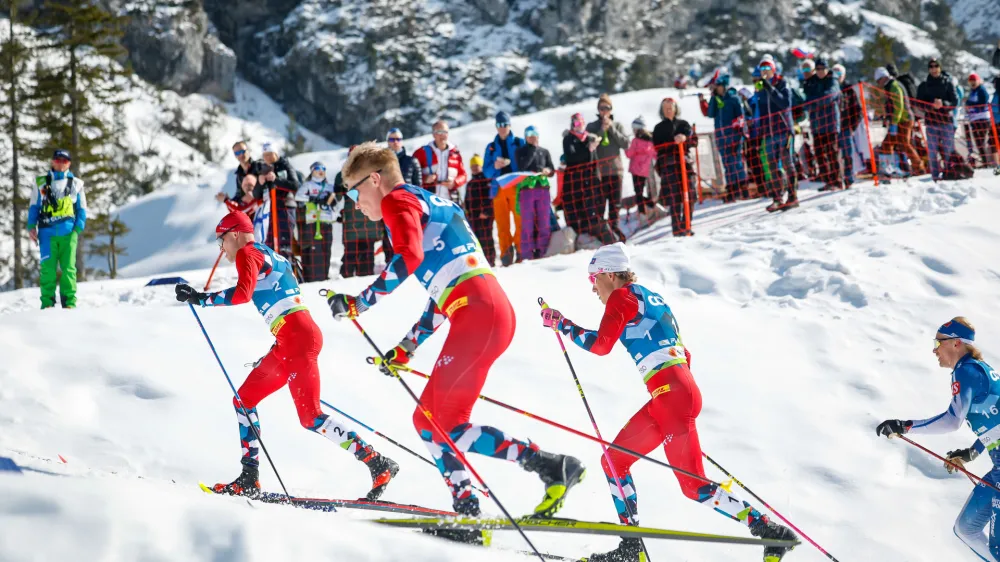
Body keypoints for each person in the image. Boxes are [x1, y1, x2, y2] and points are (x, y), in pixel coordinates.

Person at [325, 143, 585, 541]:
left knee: (435, 422)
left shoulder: (397, 201)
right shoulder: (426, 201)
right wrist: (407, 347)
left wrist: (360, 303)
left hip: (477, 313)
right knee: (432, 421)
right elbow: (443, 289)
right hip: (482, 309)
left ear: (374, 179)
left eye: (355, 192)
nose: (356, 205)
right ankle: (499, 493)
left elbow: (409, 256)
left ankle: (502, 492)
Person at [542, 243, 797, 562]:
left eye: (593, 277)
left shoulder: (622, 297)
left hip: (671, 398)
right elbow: (684, 352)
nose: (592, 286)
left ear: (608, 274)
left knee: (683, 483)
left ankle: (768, 531)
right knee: (620, 464)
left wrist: (562, 324)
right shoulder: (651, 297)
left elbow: (601, 345)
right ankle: (632, 547)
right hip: (673, 395)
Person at [174, 211, 398, 501]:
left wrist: (201, 299)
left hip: (296, 339)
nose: (222, 249)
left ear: (235, 234)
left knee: (310, 417)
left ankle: (378, 463)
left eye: (222, 241)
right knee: (244, 400)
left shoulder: (247, 252)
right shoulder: (268, 253)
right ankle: (248, 477)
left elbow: (243, 294)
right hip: (290, 340)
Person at [875, 317, 1000, 562]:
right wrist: (971, 453)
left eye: (938, 342)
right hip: (998, 467)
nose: (934, 349)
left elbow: (952, 421)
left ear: (956, 343)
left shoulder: (966, 370)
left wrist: (905, 426)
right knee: (966, 528)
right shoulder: (979, 369)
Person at [26, 149, 87, 309]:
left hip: (69, 234)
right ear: (52, 161)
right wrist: (31, 226)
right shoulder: (41, 183)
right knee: (48, 271)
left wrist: (77, 230)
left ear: (69, 163)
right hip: (47, 234)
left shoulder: (76, 184)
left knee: (69, 270)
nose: (61, 163)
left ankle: (69, 304)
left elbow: (81, 209)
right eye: (58, 160)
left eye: (64, 160)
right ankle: (47, 304)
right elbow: (34, 207)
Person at [483, 111, 527, 266]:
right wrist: (495, 166)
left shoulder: (519, 142)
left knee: (520, 220)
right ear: (496, 127)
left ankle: (521, 250)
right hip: (498, 188)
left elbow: (527, 161)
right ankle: (506, 254)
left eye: (505, 124)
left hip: (516, 186)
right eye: (499, 125)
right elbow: (486, 171)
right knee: (502, 224)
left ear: (509, 125)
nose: (502, 128)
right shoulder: (491, 148)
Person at [586, 94, 631, 241]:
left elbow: (625, 143)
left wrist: (611, 128)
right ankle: (602, 233)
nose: (604, 111)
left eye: (607, 108)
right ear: (598, 110)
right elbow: (590, 145)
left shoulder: (617, 125)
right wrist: (601, 130)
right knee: (599, 204)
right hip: (600, 172)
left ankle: (615, 231)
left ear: (611, 110)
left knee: (615, 205)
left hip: (615, 170)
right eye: (601, 108)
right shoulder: (592, 126)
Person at [755, 60, 797, 212]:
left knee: (787, 163)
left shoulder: (782, 83)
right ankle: (778, 198)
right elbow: (760, 109)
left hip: (784, 130)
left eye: (767, 68)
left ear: (773, 70)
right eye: (762, 68)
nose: (764, 71)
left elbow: (784, 103)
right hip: (769, 132)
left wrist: (769, 87)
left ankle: (793, 197)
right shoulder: (760, 87)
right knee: (772, 167)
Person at [333, 150, 382, 278]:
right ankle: (345, 282)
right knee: (350, 256)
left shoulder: (371, 173)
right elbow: (336, 197)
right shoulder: (342, 175)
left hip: (366, 221)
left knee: (366, 256)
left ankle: (364, 282)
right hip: (353, 221)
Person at [652, 98, 697, 236]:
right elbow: (657, 147)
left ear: (675, 108)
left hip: (685, 165)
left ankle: (687, 225)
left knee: (691, 195)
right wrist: (672, 144)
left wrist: (685, 138)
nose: (668, 110)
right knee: (675, 198)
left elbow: (694, 140)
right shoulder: (658, 128)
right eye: (665, 108)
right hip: (669, 166)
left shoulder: (684, 124)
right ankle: (677, 229)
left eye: (670, 107)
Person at [874, 67, 924, 180]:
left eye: (878, 81)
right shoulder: (890, 86)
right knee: (888, 144)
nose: (878, 84)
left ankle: (919, 168)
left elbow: (899, 106)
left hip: (904, 120)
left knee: (905, 143)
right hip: (899, 120)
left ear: (883, 78)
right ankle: (889, 168)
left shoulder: (894, 86)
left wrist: (894, 123)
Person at [515, 125, 556, 260]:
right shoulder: (520, 151)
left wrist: (547, 171)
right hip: (527, 190)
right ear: (525, 137)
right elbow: (522, 166)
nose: (532, 137)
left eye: (535, 134)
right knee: (528, 224)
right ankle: (527, 255)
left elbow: (551, 169)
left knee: (544, 222)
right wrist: (532, 150)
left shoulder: (544, 151)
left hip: (542, 189)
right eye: (529, 134)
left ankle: (542, 251)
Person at [706, 75, 750, 200]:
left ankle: (743, 188)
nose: (717, 88)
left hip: (733, 136)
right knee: (727, 164)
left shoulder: (733, 99)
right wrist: (713, 98)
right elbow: (710, 113)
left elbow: (741, 118)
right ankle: (732, 189)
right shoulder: (716, 99)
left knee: (737, 163)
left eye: (718, 86)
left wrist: (739, 136)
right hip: (721, 137)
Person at [803, 59, 842, 190]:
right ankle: (827, 180)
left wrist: (815, 102)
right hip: (816, 125)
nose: (820, 72)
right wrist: (815, 101)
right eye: (818, 69)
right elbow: (807, 100)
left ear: (827, 69)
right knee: (819, 154)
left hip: (830, 123)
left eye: (822, 69)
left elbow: (830, 96)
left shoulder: (833, 80)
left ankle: (837, 180)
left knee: (832, 153)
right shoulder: (812, 82)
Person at [917, 59, 958, 180]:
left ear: (940, 67)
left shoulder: (948, 83)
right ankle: (935, 176)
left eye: (936, 66)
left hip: (946, 122)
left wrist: (943, 104)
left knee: (948, 150)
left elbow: (955, 102)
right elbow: (919, 103)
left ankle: (949, 172)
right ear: (928, 69)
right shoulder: (923, 86)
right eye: (931, 66)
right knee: (932, 151)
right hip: (931, 122)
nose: (934, 69)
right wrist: (931, 105)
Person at [563, 112, 602, 240]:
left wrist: (597, 177)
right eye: (576, 123)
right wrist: (588, 149)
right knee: (576, 208)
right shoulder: (568, 139)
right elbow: (572, 158)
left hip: (590, 179)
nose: (579, 125)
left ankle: (591, 235)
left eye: (581, 122)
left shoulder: (590, 138)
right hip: (575, 180)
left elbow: (594, 160)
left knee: (591, 207)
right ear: (572, 125)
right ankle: (578, 237)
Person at [295, 162, 336, 281]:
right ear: (312, 171)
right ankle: (314, 278)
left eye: (323, 168)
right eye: (317, 168)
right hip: (313, 222)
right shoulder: (308, 184)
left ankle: (325, 275)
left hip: (327, 221)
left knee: (326, 250)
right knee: (315, 251)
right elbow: (298, 196)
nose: (321, 170)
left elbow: (336, 203)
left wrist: (333, 204)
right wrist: (312, 199)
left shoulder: (329, 186)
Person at [387, 128, 423, 263]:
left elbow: (418, 186)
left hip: (408, 204)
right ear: (387, 142)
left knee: (410, 235)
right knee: (390, 237)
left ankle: (411, 263)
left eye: (398, 139)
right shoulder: (381, 163)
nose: (395, 142)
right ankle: (391, 265)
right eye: (392, 139)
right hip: (388, 204)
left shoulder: (412, 161)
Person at [412, 120, 468, 203]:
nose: (442, 135)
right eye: (439, 132)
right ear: (433, 134)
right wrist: (425, 178)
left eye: (444, 132)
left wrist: (454, 182)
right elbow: (412, 174)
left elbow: (463, 175)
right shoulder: (421, 152)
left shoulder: (455, 153)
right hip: (429, 200)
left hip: (451, 200)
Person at [260, 142, 301, 255]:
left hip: (286, 207)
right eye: (265, 155)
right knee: (269, 246)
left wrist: (276, 180)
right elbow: (257, 193)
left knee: (284, 246)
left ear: (276, 153)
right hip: (270, 210)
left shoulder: (285, 165)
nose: (267, 157)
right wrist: (260, 183)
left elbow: (295, 185)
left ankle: (287, 270)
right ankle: (272, 272)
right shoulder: (262, 169)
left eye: (270, 154)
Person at [464, 154, 497, 266]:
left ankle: (490, 261)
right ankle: (480, 262)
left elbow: (490, 198)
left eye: (477, 165)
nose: (474, 168)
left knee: (486, 237)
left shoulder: (486, 181)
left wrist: (487, 212)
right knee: (475, 240)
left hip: (485, 216)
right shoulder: (470, 184)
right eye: (472, 166)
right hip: (473, 217)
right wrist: (467, 213)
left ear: (481, 166)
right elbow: (467, 200)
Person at [832, 64, 862, 188]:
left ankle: (849, 178)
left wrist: (852, 126)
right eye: (835, 74)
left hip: (845, 127)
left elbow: (857, 110)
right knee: (833, 155)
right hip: (832, 128)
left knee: (847, 155)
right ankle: (836, 180)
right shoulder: (829, 88)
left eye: (840, 74)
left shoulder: (849, 90)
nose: (837, 77)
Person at [624, 116, 657, 214]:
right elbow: (655, 154)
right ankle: (650, 206)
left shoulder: (635, 141)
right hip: (645, 170)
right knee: (640, 192)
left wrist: (625, 146)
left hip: (635, 170)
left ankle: (645, 211)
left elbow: (629, 154)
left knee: (638, 193)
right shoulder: (651, 141)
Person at [965, 74, 997, 169]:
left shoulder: (982, 90)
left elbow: (983, 103)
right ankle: (985, 162)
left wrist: (971, 105)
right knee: (978, 142)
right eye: (970, 81)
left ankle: (988, 162)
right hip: (974, 120)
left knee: (981, 141)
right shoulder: (972, 92)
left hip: (983, 119)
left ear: (978, 81)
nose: (972, 83)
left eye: (974, 80)